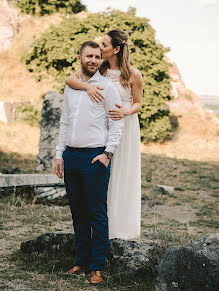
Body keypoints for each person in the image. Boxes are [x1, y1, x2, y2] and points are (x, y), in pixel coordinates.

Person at [54, 41, 124, 284]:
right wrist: (58, 154)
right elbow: (64, 122)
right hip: (71, 156)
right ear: (79, 57)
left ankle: (97, 268)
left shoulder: (108, 87)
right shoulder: (72, 86)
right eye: (89, 56)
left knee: (96, 213)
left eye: (97, 56)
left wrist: (108, 153)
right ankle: (80, 262)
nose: (94, 60)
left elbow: (116, 123)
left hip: (95, 156)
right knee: (77, 212)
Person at [65, 29, 143, 240]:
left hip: (125, 127)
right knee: (102, 177)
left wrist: (124, 112)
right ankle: (101, 229)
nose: (100, 49)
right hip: (103, 128)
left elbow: (138, 103)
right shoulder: (100, 68)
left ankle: (122, 228)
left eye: (104, 45)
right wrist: (87, 88)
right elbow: (70, 80)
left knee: (123, 175)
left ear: (116, 49)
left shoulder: (133, 74)